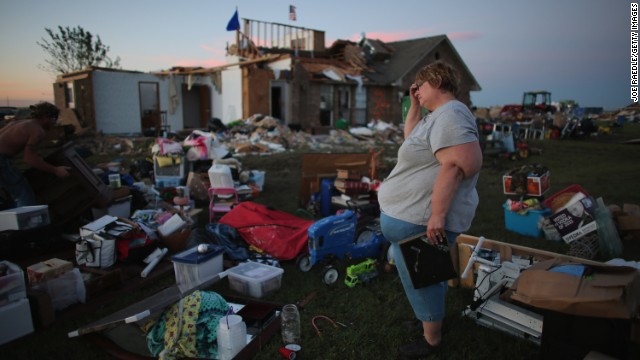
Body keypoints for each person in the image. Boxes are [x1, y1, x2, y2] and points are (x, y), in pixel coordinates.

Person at [377, 61, 483, 359]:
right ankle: (429, 321)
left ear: (436, 81)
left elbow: (458, 165)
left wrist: (436, 215)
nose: (416, 91)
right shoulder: (437, 116)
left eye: (419, 86)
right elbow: (412, 141)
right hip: (409, 219)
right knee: (420, 279)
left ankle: (431, 342)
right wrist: (414, 106)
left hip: (423, 220)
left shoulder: (452, 113)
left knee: (425, 280)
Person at [0, 102, 70, 208]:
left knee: (8, 194)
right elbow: (29, 158)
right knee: (24, 195)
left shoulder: (18, 123)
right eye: (54, 119)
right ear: (46, 117)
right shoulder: (37, 131)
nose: (54, 123)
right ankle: (24, 223)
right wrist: (55, 170)